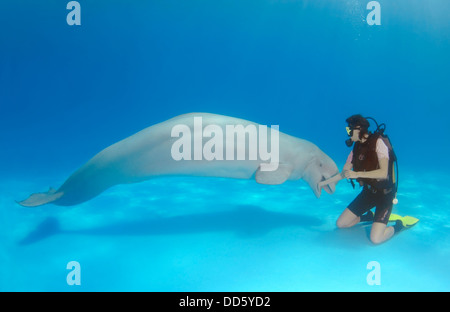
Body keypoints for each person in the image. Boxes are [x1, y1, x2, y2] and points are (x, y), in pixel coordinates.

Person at [318, 114, 406, 244]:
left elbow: (383, 173)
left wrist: (357, 174)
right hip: (368, 193)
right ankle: (368, 217)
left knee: (376, 239)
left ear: (358, 129)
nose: (348, 133)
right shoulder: (356, 148)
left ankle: (398, 226)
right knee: (341, 224)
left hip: (385, 195)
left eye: (349, 130)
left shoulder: (378, 143)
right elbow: (344, 173)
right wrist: (322, 183)